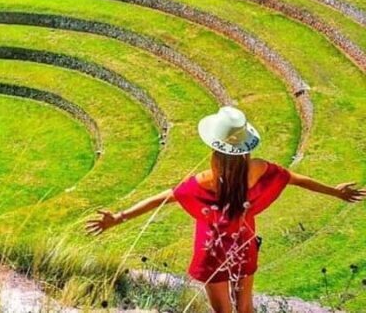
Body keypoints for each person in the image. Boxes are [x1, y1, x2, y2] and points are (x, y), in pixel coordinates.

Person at [85, 106, 365, 313]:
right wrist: (335, 192)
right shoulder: (257, 169)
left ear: (215, 150)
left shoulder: (204, 181)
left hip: (212, 251)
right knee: (245, 309)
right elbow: (294, 178)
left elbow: (163, 198)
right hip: (244, 246)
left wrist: (119, 218)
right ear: (245, 148)